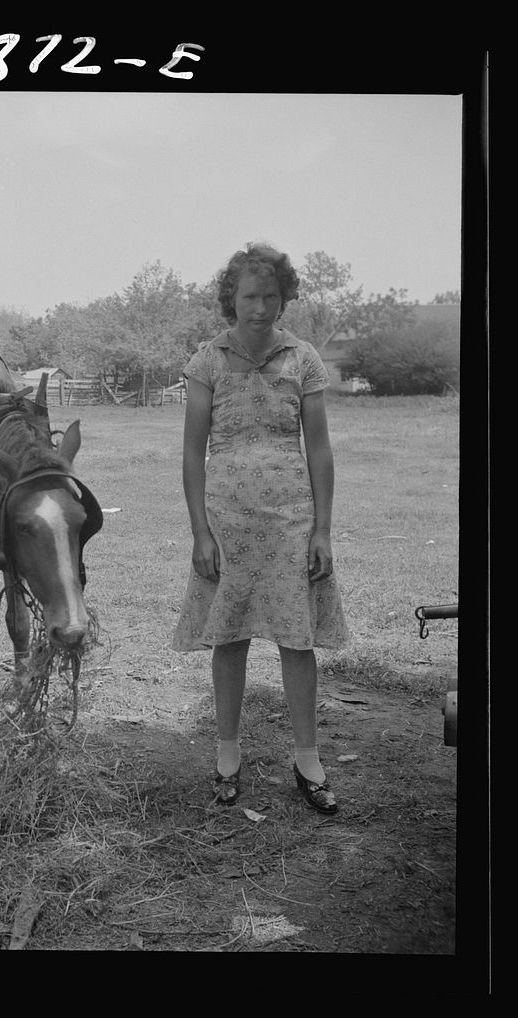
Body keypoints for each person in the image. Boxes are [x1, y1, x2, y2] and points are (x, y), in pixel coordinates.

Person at [172, 242, 349, 814]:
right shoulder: (207, 361)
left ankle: (308, 761)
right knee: (230, 636)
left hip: (289, 522)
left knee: (298, 641)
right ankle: (227, 756)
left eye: (271, 296)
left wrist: (321, 529)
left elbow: (318, 449)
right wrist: (201, 532)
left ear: (284, 297)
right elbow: (192, 453)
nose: (261, 307)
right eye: (250, 296)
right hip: (226, 522)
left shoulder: (303, 359)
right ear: (232, 298)